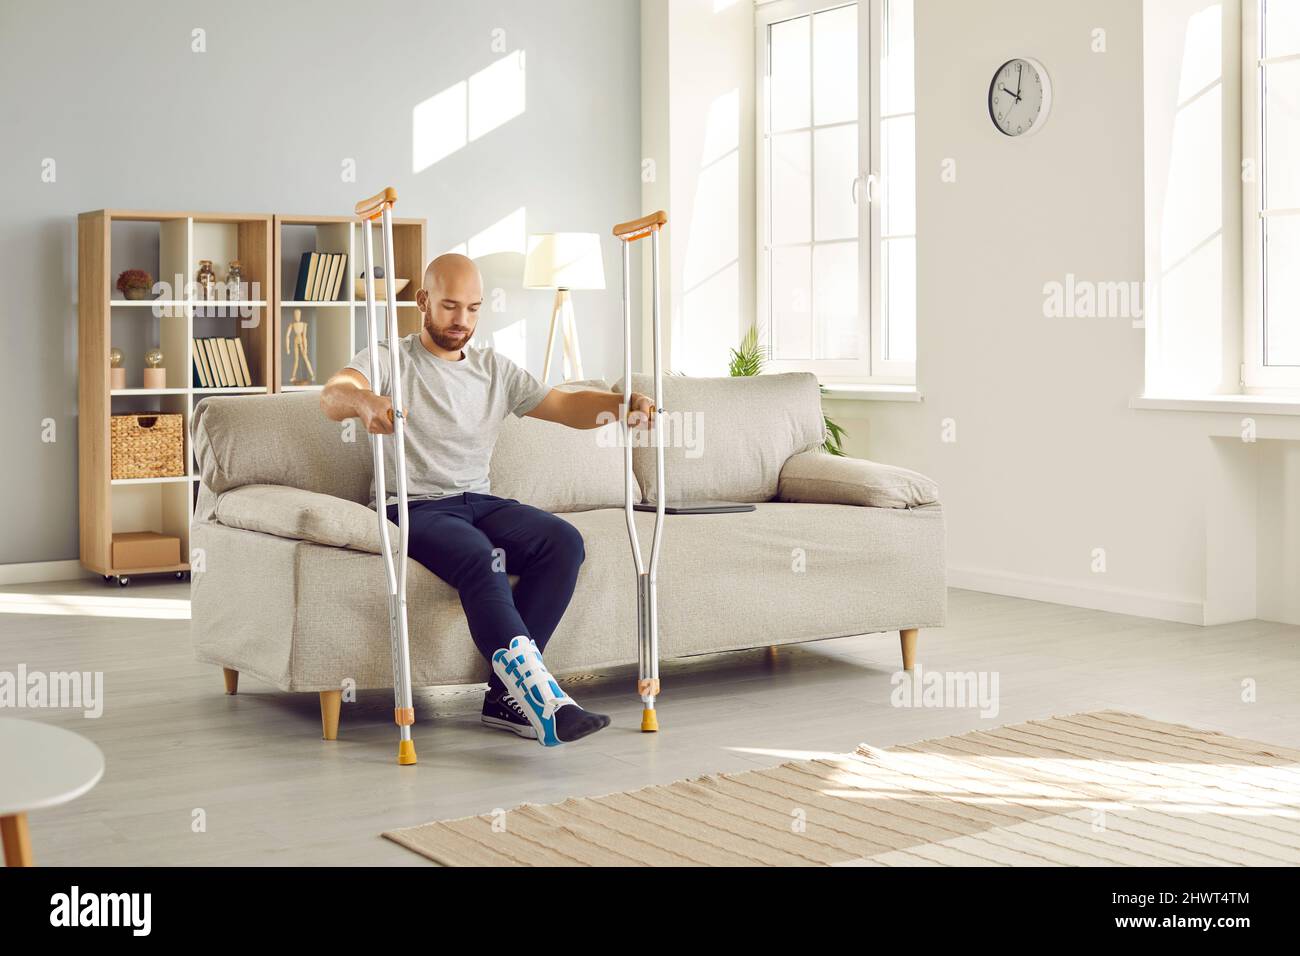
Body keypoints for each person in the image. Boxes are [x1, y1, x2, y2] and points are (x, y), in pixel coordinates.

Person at [320, 253, 653, 747]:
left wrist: (618, 406)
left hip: (479, 499)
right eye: (451, 307)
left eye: (474, 309)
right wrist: (366, 401)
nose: (462, 321)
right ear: (423, 302)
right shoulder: (390, 357)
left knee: (562, 542)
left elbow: (563, 405)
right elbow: (334, 393)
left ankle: (504, 698)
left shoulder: (493, 368)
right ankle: (543, 701)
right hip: (413, 506)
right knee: (480, 557)